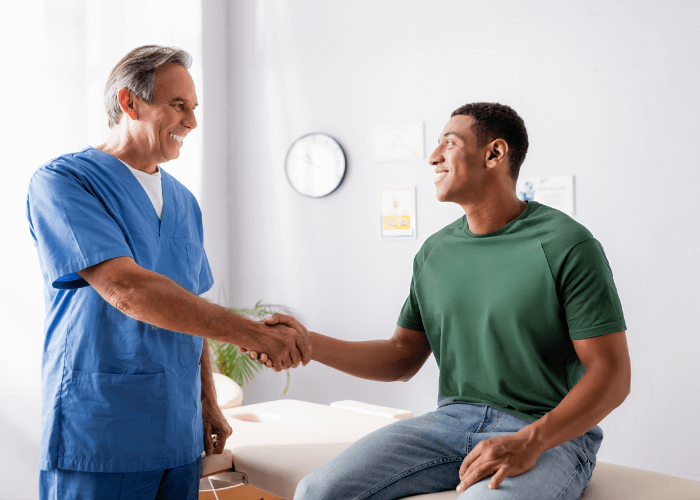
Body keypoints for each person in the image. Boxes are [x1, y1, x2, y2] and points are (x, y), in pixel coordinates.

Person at [255, 103, 631, 500]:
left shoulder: (566, 243)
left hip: (548, 433)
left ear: (494, 154)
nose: (433, 157)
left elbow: (612, 374)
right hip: (450, 425)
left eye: (448, 144)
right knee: (317, 491)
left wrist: (531, 440)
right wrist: (308, 344)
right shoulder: (435, 252)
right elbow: (402, 356)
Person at [27, 45, 310, 500]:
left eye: (194, 109)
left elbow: (190, 307)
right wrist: (251, 333)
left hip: (177, 434)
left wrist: (206, 400)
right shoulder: (65, 182)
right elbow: (127, 289)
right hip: (101, 429)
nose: (191, 122)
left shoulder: (184, 202)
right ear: (129, 102)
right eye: (178, 105)